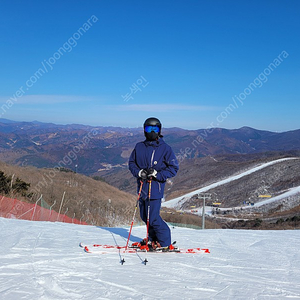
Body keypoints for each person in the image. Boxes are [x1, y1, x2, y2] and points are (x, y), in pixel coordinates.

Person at [129, 117, 179, 250]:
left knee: (153, 217)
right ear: (144, 130)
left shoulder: (165, 149)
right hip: (142, 188)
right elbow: (131, 163)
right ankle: (152, 238)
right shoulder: (139, 147)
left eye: (155, 129)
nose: (151, 131)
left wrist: (157, 174)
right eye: (148, 129)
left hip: (155, 189)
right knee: (145, 216)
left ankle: (164, 241)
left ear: (159, 130)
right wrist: (140, 173)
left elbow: (173, 168)